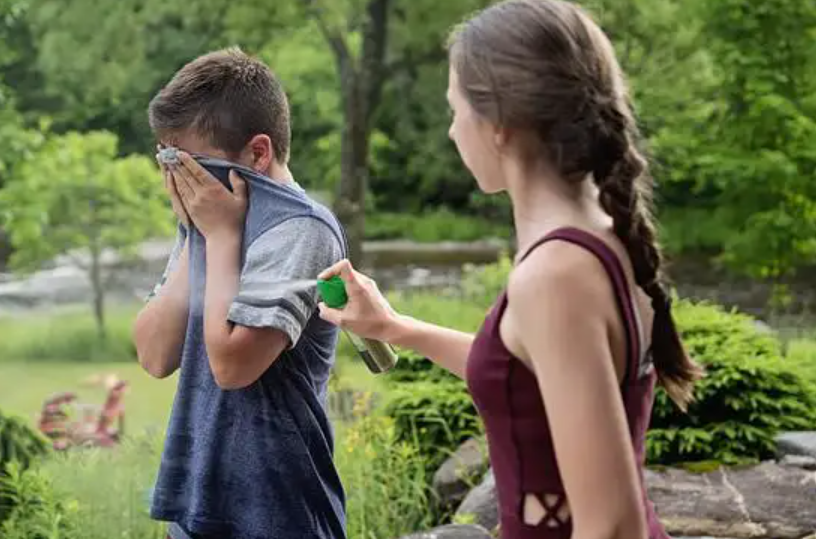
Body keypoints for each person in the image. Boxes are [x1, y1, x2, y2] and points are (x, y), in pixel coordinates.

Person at [317, 1, 703, 538]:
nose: (452, 132)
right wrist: (394, 327)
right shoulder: (597, 238)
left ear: (497, 122)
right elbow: (528, 373)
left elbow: (613, 526)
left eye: (456, 110)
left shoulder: (555, 275)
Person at [132, 48, 348, 539]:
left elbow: (231, 366)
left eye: (189, 163)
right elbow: (153, 353)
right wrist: (201, 234)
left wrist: (223, 238)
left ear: (258, 153)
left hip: (280, 512)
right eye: (167, 159)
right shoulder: (212, 217)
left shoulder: (302, 230)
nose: (177, 178)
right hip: (199, 507)